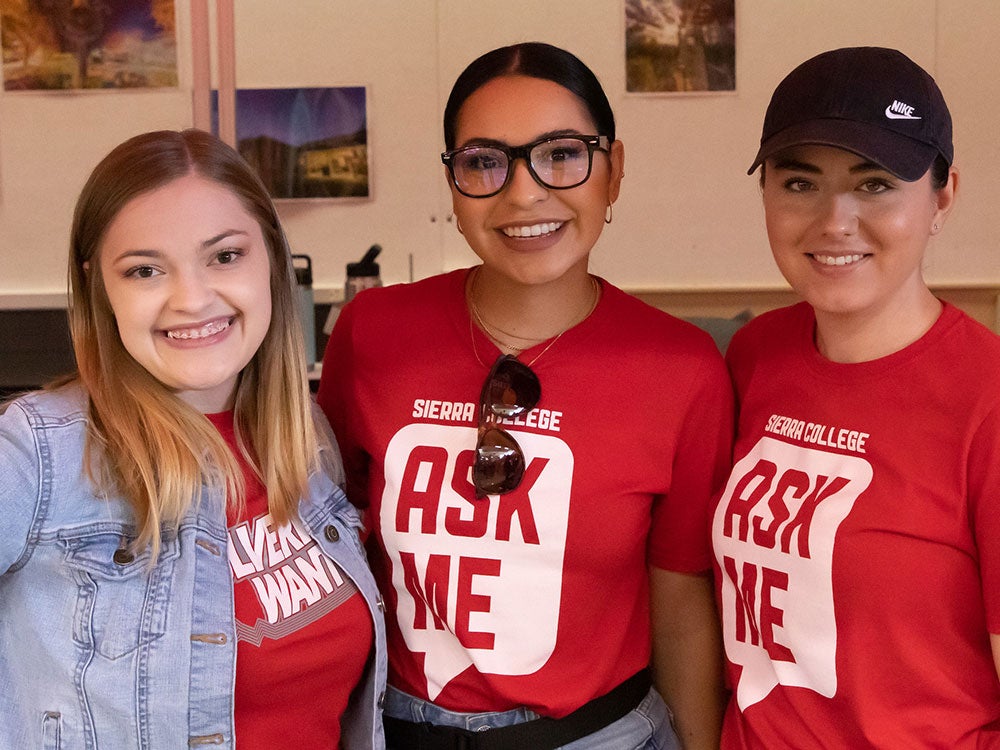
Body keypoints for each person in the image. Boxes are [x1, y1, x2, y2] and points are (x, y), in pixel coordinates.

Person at [318, 42, 733, 750]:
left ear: (615, 170)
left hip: (597, 736)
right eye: (484, 161)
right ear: (453, 184)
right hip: (394, 730)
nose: (524, 193)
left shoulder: (681, 368)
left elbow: (680, 604)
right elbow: (330, 548)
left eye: (562, 154)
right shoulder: (373, 333)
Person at [0, 129, 386, 749]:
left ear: (272, 259)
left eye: (225, 256)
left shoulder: (305, 440)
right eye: (145, 269)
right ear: (99, 284)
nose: (192, 298)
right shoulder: (36, 454)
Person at [712, 46, 1000, 747]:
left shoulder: (986, 400)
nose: (834, 221)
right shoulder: (754, 356)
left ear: (944, 196)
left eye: (874, 185)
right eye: (800, 182)